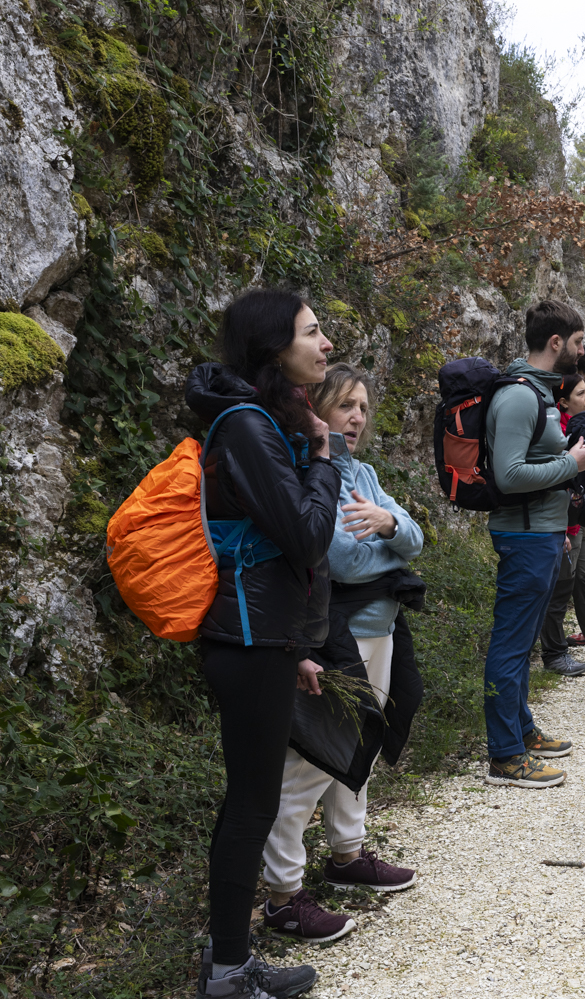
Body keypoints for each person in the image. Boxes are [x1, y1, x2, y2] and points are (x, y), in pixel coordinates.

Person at [185, 289, 339, 999]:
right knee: (251, 803)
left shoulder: (253, 421)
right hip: (246, 641)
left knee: (251, 799)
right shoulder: (248, 425)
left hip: (257, 637)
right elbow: (306, 536)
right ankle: (227, 972)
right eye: (313, 332)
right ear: (275, 345)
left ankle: (231, 960)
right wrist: (322, 453)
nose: (327, 344)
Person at [261, 364, 420, 944]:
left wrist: (387, 523)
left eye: (362, 406)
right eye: (345, 404)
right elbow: (342, 561)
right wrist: (390, 536)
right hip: (336, 636)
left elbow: (415, 537)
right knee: (307, 762)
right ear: (317, 410)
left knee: (363, 748)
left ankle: (347, 856)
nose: (356, 416)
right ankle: (283, 893)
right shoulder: (311, 473)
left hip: (380, 629)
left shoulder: (367, 474)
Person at [482, 300, 585, 790]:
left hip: (542, 533)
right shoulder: (519, 397)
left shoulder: (536, 393)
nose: (581, 350)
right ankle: (505, 756)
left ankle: (522, 731)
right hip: (525, 535)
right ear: (556, 343)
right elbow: (508, 476)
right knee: (510, 646)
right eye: (577, 343)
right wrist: (572, 465)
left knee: (522, 642)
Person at [538, 373, 585, 675]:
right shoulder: (557, 434)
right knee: (561, 589)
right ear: (563, 402)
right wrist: (560, 529)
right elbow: (557, 482)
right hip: (565, 525)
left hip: (582, 521)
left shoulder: (584, 427)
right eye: (580, 394)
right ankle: (554, 653)